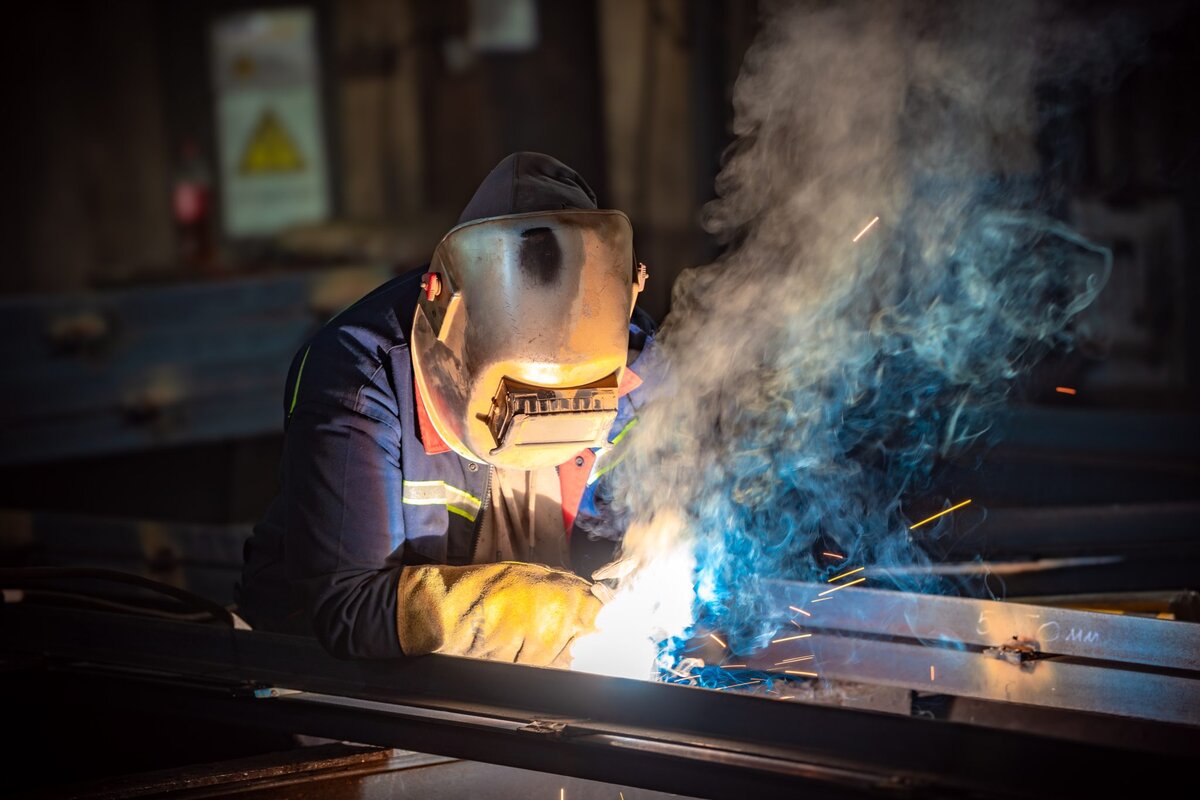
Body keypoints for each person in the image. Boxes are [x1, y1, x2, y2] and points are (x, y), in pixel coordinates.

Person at [238, 152, 653, 666]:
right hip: (334, 676)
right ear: (450, 311)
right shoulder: (360, 377)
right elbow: (348, 607)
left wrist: (667, 541)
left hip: (541, 674)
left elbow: (682, 481)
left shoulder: (631, 356)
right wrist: (546, 610)